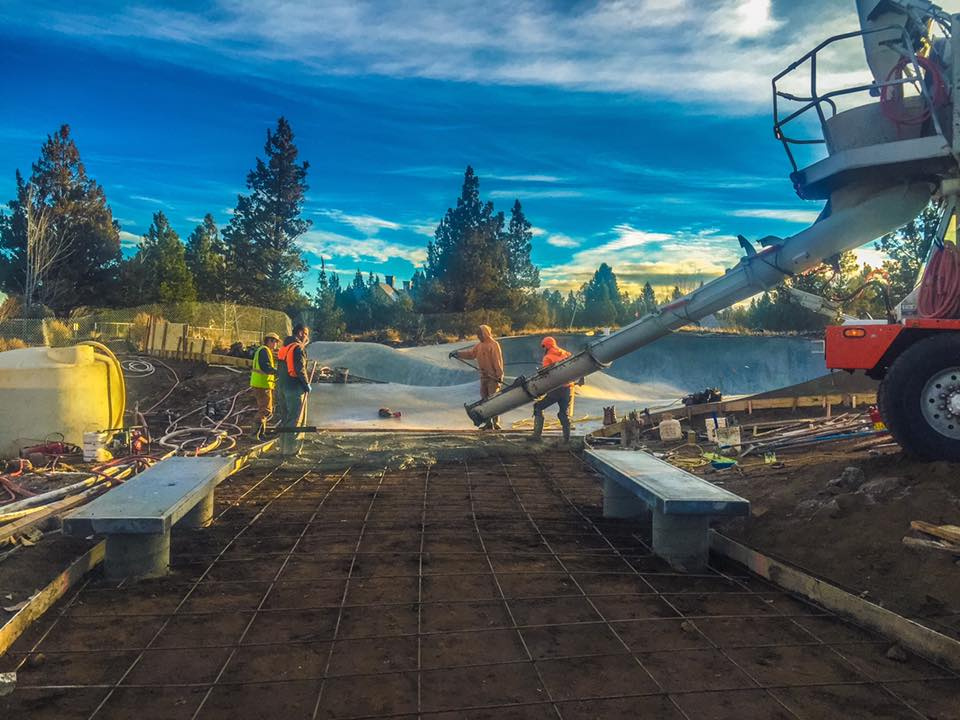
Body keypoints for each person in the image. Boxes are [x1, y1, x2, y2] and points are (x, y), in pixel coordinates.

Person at [449, 324, 504, 430]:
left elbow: (498, 361)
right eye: (478, 334)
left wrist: (499, 375)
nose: (479, 336)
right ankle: (488, 423)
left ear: (486, 333)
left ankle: (496, 422)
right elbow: (470, 354)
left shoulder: (493, 345)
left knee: (493, 400)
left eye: (480, 334)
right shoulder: (479, 346)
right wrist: (457, 354)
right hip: (484, 377)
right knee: (484, 400)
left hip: (493, 377)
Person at [530, 336, 573, 443]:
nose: (543, 349)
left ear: (547, 346)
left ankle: (537, 436)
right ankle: (567, 439)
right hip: (567, 389)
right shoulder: (566, 353)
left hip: (555, 389)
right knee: (563, 413)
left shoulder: (547, 358)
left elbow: (545, 376)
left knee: (538, 407)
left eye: (544, 347)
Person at [277, 324, 311, 456]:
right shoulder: (298, 348)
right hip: (295, 388)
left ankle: (283, 449)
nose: (307, 337)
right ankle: (292, 452)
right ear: (301, 333)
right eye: (306, 334)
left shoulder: (284, 348)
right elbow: (300, 369)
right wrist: (306, 384)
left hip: (281, 388)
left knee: (285, 419)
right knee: (296, 420)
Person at [249, 332, 281, 441]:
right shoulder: (264, 350)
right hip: (262, 384)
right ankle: (254, 434)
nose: (276, 344)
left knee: (266, 409)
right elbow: (265, 366)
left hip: (261, 384)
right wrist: (277, 372)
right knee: (265, 410)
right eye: (275, 342)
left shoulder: (263, 350)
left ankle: (261, 434)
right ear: (270, 341)